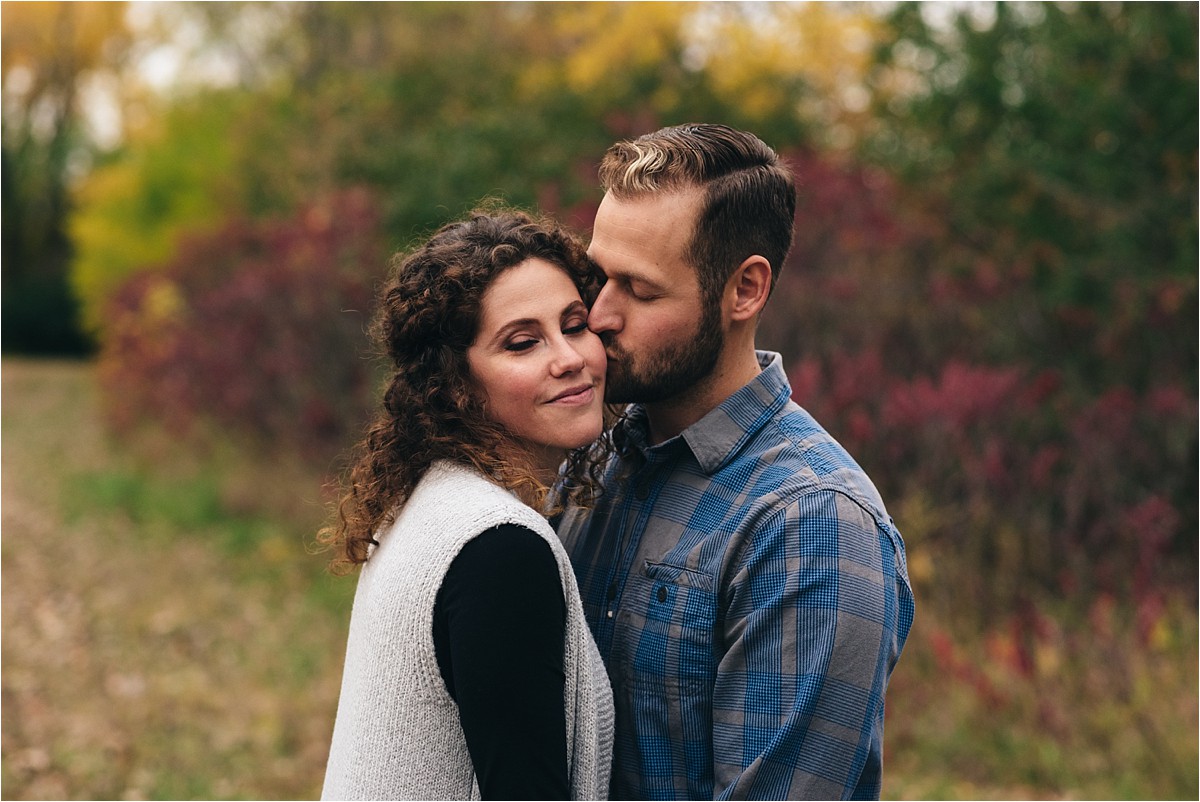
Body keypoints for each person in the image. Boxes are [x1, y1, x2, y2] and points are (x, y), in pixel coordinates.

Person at [555, 124, 915, 800]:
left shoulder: (812, 524)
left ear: (745, 290)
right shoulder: (586, 459)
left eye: (639, 289)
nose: (599, 314)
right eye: (597, 275)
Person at [318, 209, 614, 800]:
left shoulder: (433, 500)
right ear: (455, 382)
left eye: (575, 325)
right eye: (524, 343)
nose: (569, 357)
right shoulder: (498, 547)